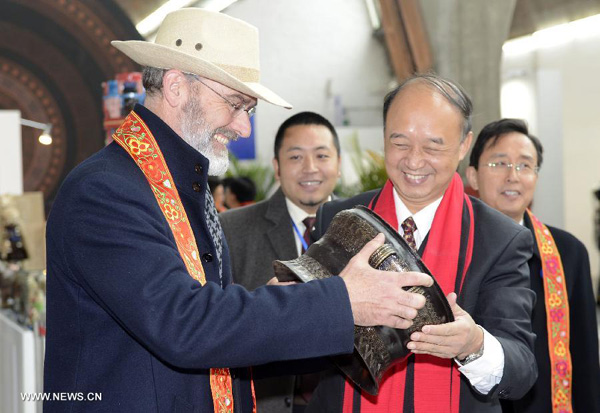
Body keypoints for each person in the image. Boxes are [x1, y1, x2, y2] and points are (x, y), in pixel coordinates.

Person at [42, 9, 435, 413]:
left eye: (247, 110)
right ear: (176, 86)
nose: (244, 129)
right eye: (235, 105)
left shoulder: (184, 187)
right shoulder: (104, 191)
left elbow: (214, 327)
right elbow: (184, 325)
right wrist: (340, 300)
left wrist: (305, 304)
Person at [307, 74, 537, 412]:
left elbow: (521, 369)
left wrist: (473, 344)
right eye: (399, 143)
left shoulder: (499, 238)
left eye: (433, 146)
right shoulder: (339, 218)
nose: (414, 161)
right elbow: (305, 336)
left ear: (463, 145)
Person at [466, 118, 600, 413]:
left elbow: (586, 357)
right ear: (473, 176)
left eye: (525, 165)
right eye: (499, 163)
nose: (513, 176)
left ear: (536, 177)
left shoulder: (569, 253)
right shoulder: (455, 248)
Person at [220, 111, 341, 412]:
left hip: (344, 401)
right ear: (276, 167)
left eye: (322, 155)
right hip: (268, 401)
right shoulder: (231, 229)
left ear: (338, 164)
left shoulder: (368, 230)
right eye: (296, 157)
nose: (310, 169)